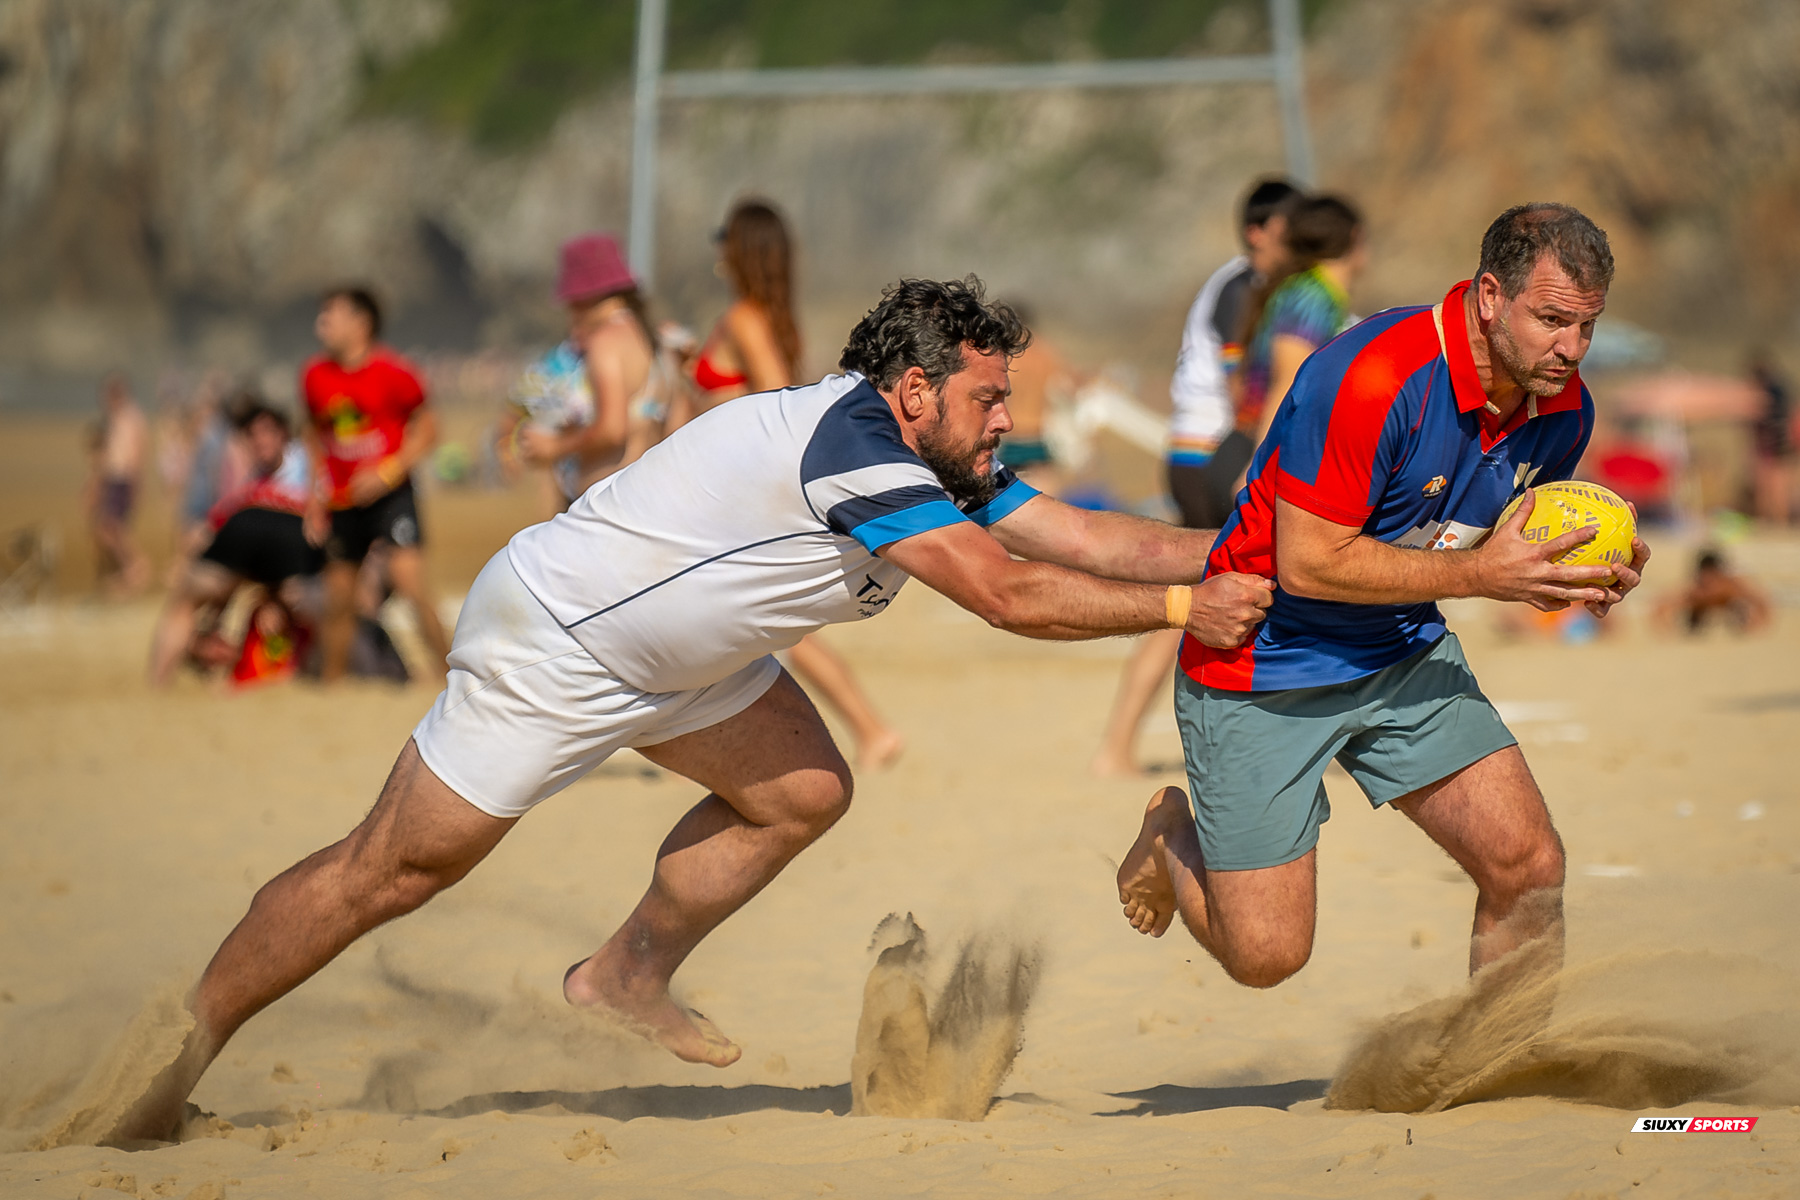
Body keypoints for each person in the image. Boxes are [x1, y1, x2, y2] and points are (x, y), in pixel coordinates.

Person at [105, 276, 1277, 1143]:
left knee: (802, 791)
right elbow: (1009, 595)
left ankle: (623, 976)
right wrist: (1190, 607)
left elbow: (1083, 537)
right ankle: (169, 1057)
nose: (1007, 418)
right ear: (916, 391)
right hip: (561, 639)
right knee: (391, 872)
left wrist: (1259, 550)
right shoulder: (859, 447)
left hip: (679, 663)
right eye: (990, 398)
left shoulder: (932, 455)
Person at [1115, 205, 1651, 1001]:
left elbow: (1503, 540)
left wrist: (1578, 575)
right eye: (1551, 320)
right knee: (1267, 957)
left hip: (1400, 647)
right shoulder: (1373, 376)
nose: (1571, 348)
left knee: (1529, 866)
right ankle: (1170, 839)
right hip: (1264, 658)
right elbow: (1307, 565)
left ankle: (1503, 1057)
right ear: (1490, 297)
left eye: (1587, 326)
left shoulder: (1564, 408)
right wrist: (1483, 576)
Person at [1092, 179, 1300, 776]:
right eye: (1291, 229)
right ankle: (1242, 751)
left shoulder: (1247, 284)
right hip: (1213, 457)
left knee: (1193, 601)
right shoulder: (1244, 285)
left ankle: (1117, 745)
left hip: (1195, 455)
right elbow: (1243, 389)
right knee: (1251, 594)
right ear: (1257, 233)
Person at [690, 198, 904, 768]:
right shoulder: (767, 316)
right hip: (736, 482)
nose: (716, 249)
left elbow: (776, 398)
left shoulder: (745, 318)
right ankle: (867, 729)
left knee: (772, 621)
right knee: (759, 618)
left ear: (740, 249)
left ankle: (870, 728)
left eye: (723, 237)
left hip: (737, 486)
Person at [300, 286, 450, 683]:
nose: (320, 325)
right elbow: (313, 436)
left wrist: (387, 474)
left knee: (411, 587)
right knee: (339, 597)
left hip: (392, 498)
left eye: (330, 316)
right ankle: (332, 686)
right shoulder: (314, 375)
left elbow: (429, 430)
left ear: (361, 323)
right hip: (341, 501)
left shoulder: (395, 372)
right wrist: (314, 495)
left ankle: (450, 675)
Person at [496, 234, 686, 518]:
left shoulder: (605, 343)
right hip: (643, 503)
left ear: (586, 294)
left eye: (571, 301)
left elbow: (612, 430)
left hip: (605, 508)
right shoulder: (656, 343)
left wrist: (554, 447)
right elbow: (676, 424)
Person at [148, 398, 319, 687]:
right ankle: (163, 681)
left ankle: (160, 681)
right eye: (252, 435)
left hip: (286, 529)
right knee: (190, 597)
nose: (260, 441)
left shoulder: (305, 459)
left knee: (188, 600)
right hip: (259, 535)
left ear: (284, 435)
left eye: (267, 432)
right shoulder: (255, 477)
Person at [1237, 194, 1366, 450]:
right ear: (1356, 236)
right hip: (1261, 447)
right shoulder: (1310, 296)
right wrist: (1259, 463)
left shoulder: (1321, 294)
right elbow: (1286, 382)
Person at [993, 298, 1074, 494]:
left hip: (1009, 438)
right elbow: (1068, 388)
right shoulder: (1045, 351)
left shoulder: (1004, 353)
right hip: (1038, 439)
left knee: (1003, 504)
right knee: (1047, 503)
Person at [86, 373, 152, 598]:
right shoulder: (117, 417)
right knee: (109, 528)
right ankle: (131, 568)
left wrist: (134, 483)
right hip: (115, 478)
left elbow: (136, 453)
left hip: (123, 478)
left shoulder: (130, 417)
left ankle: (136, 567)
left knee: (113, 526)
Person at [1655, 549, 1771, 634]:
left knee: (1739, 610)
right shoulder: (1695, 590)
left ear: (1719, 573)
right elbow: (1663, 604)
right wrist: (1668, 628)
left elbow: (1760, 599)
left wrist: (1758, 623)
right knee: (1694, 626)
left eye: (1712, 577)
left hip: (1730, 605)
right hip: (1700, 609)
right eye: (1705, 577)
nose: (1708, 581)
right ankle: (1694, 624)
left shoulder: (1731, 585)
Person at [1749, 351, 1794, 525]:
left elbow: (1762, 410)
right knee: (1773, 481)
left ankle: (1776, 518)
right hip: (1775, 441)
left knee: (1773, 481)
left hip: (1775, 442)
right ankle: (1774, 518)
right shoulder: (1778, 389)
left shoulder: (1772, 390)